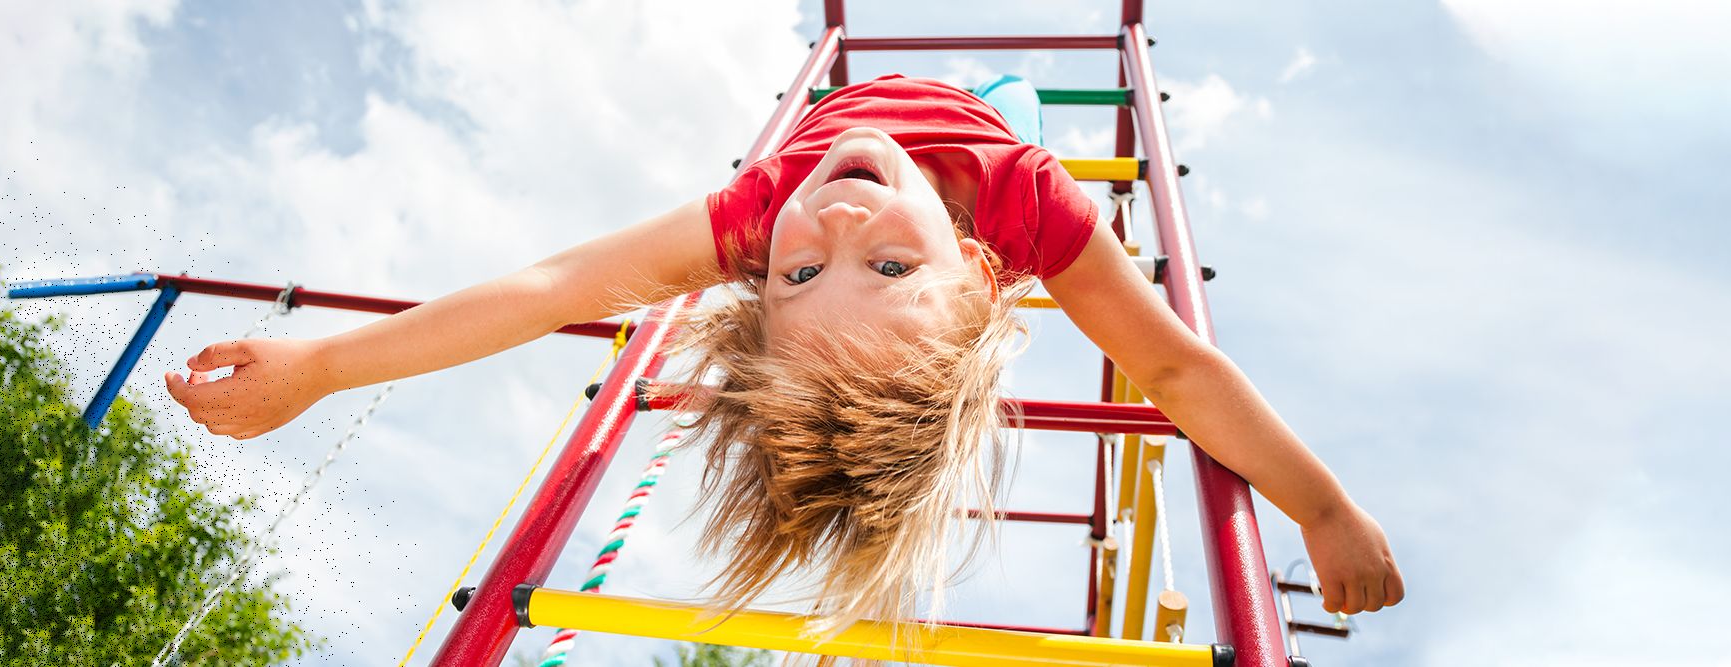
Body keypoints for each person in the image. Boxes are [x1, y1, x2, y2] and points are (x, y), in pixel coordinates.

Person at [166, 74, 1403, 636]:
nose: (840, 229)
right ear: (976, 274)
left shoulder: (766, 210)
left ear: (760, 277)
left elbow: (552, 288)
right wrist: (1325, 505)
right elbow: (1179, 372)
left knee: (1000, 99)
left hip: (887, 119)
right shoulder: (1031, 209)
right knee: (1019, 103)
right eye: (889, 271)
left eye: (805, 278)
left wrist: (324, 367)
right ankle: (1010, 93)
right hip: (988, 129)